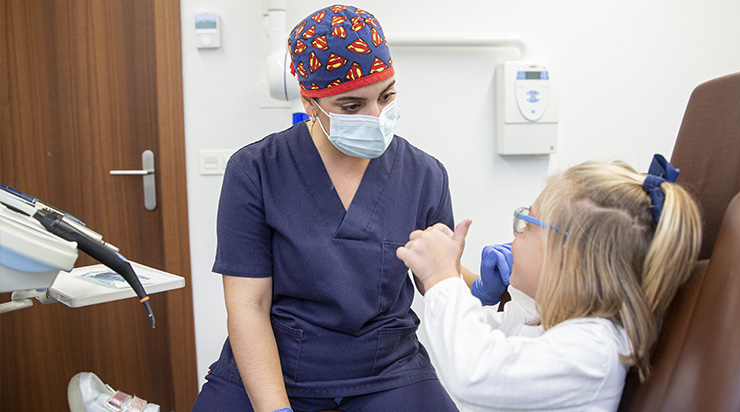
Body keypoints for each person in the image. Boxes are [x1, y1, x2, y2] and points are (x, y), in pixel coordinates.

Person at [191, 5, 458, 412]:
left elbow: (435, 276)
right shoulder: (255, 170)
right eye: (352, 106)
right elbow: (248, 305)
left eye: (386, 96)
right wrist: (275, 408)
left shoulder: (424, 174)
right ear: (310, 102)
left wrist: (484, 285)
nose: (377, 117)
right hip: (277, 365)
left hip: (385, 370)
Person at [396, 157, 703, 412]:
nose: (516, 231)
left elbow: (474, 372)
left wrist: (441, 278)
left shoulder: (594, 350)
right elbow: (484, 337)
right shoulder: (550, 318)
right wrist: (466, 284)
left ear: (569, 258)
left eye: (528, 222)